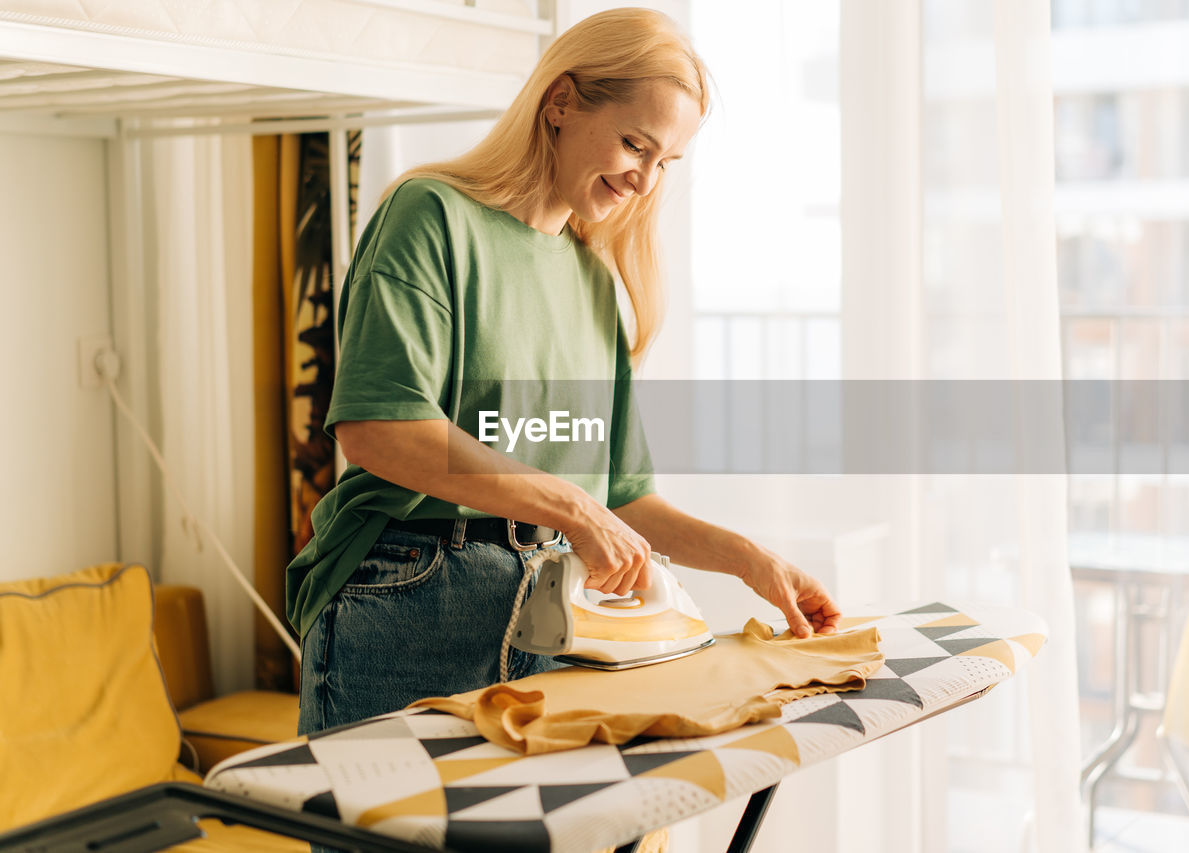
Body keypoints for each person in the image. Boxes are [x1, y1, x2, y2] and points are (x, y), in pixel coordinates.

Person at [288, 7, 842, 740]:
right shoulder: (431, 217)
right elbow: (381, 430)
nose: (644, 180)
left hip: (552, 611)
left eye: (664, 162)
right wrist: (573, 511)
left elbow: (623, 499)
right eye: (634, 144)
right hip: (408, 593)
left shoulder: (592, 280)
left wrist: (754, 562)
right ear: (561, 103)